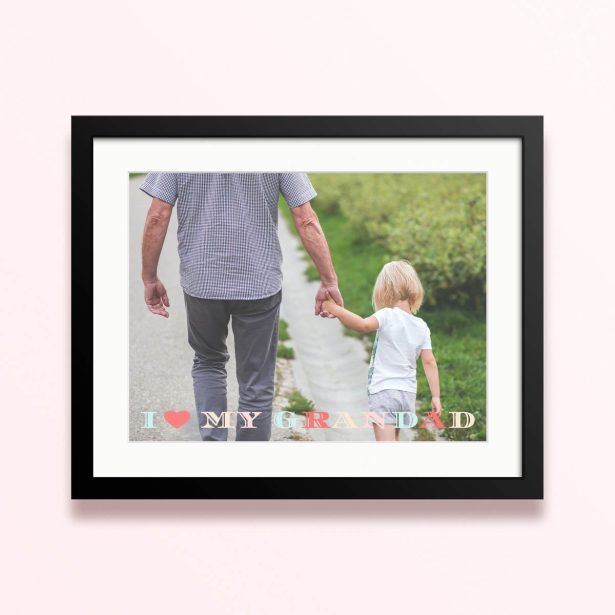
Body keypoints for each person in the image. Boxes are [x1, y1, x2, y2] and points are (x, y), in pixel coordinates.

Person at [139, 173, 343, 441]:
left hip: (202, 282)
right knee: (256, 380)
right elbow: (305, 218)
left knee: (208, 363)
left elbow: (157, 215)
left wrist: (150, 277)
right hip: (259, 282)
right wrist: (328, 280)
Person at [322, 260, 441, 441]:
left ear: (385, 290)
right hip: (407, 395)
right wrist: (436, 396)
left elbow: (362, 325)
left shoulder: (387, 315)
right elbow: (429, 361)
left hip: (385, 392)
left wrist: (335, 309)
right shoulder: (421, 326)